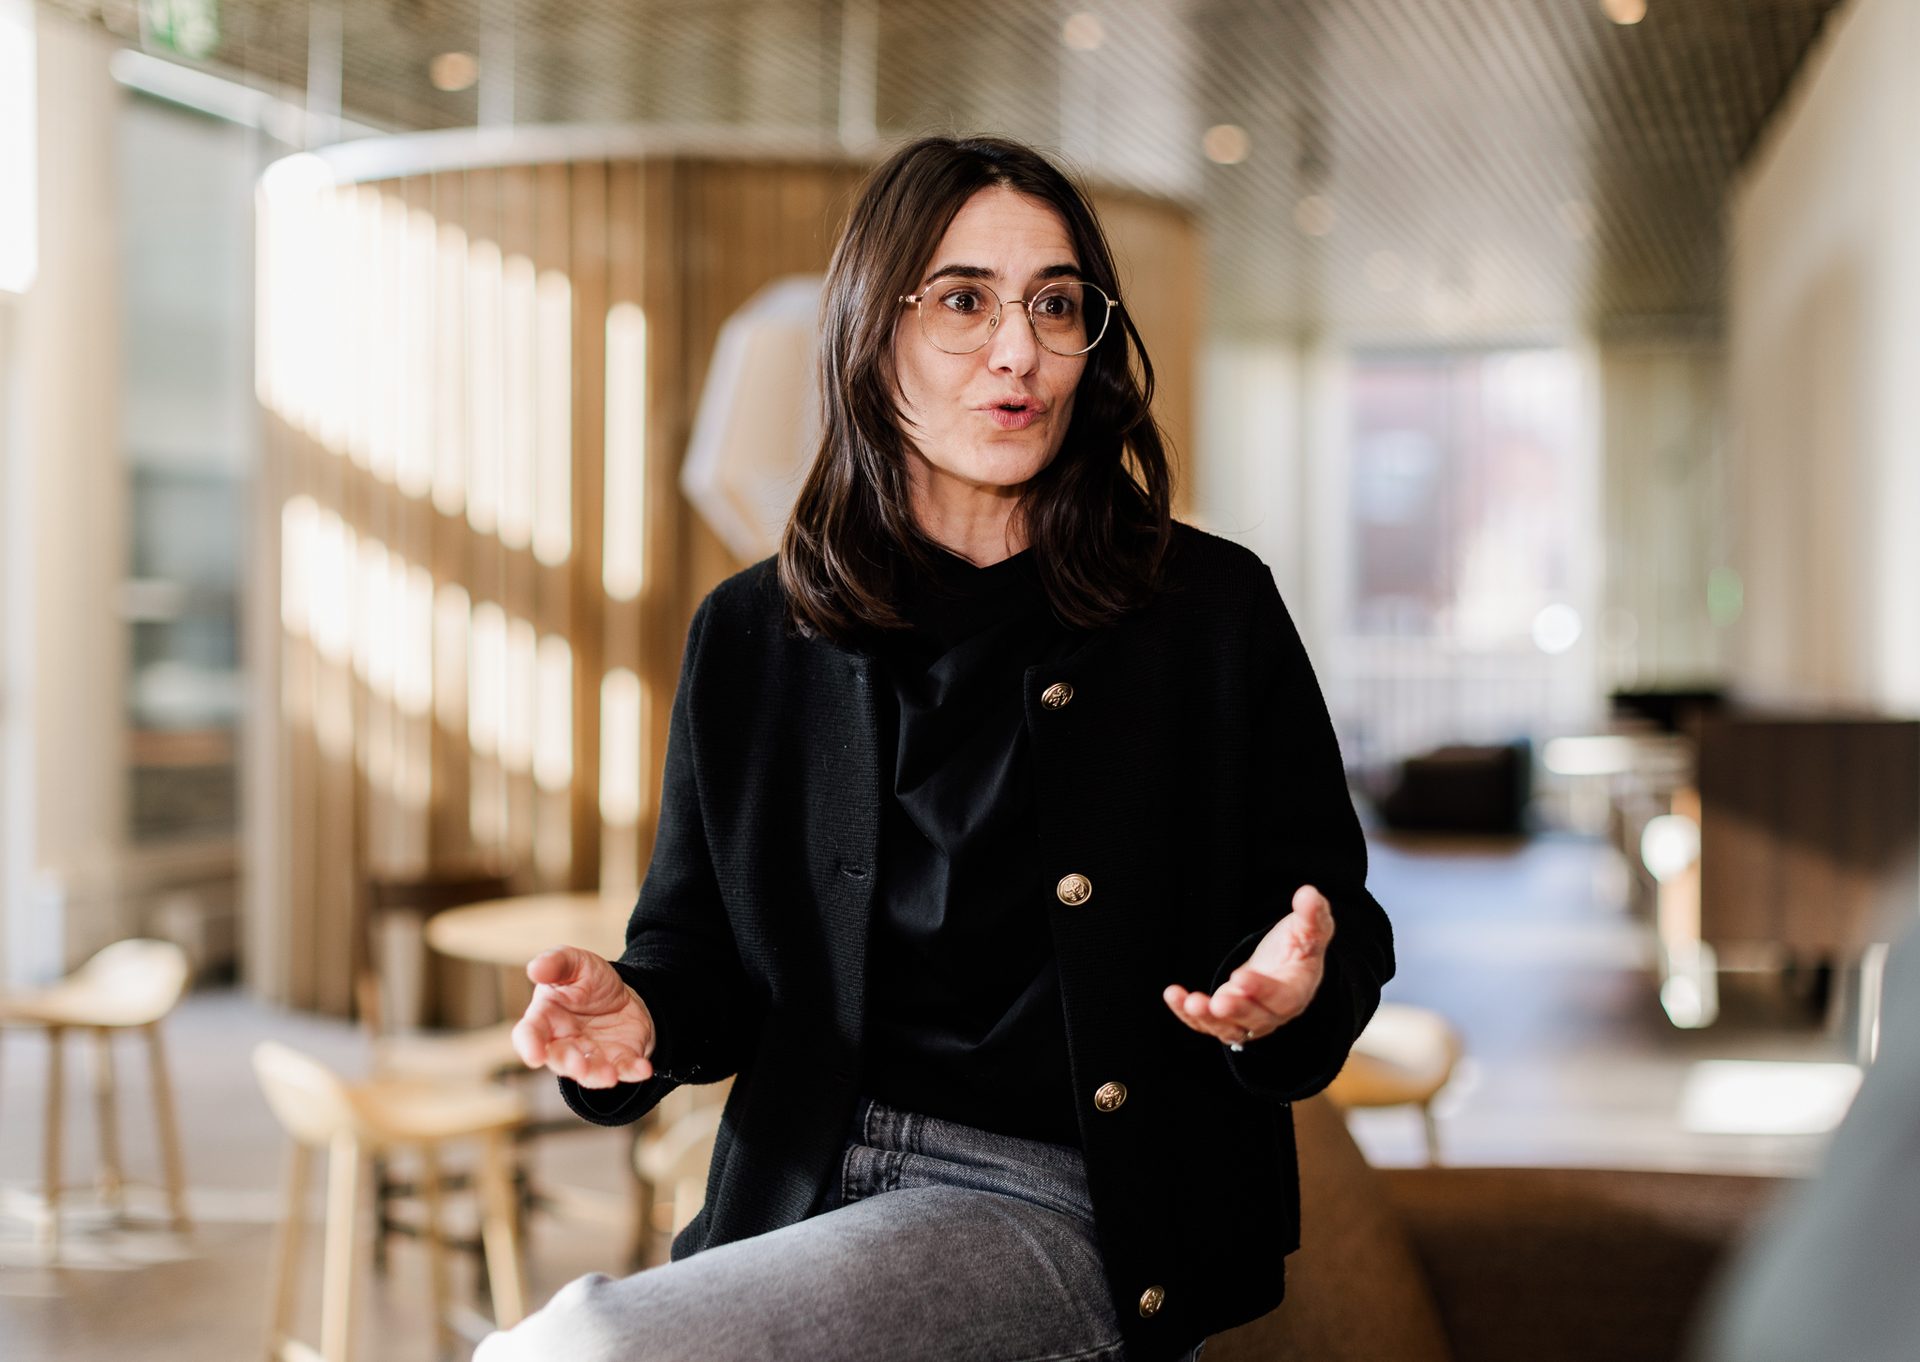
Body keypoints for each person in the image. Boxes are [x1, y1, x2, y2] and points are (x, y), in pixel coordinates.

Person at [476, 134, 1395, 1362]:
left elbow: (1337, 925)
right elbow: (697, 956)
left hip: (1066, 1202)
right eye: (964, 300)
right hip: (796, 1194)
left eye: (1055, 305)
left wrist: (1282, 999)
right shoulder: (753, 632)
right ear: (874, 329)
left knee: (586, 1350)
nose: (1017, 351)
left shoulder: (1208, 612)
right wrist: (636, 1019)